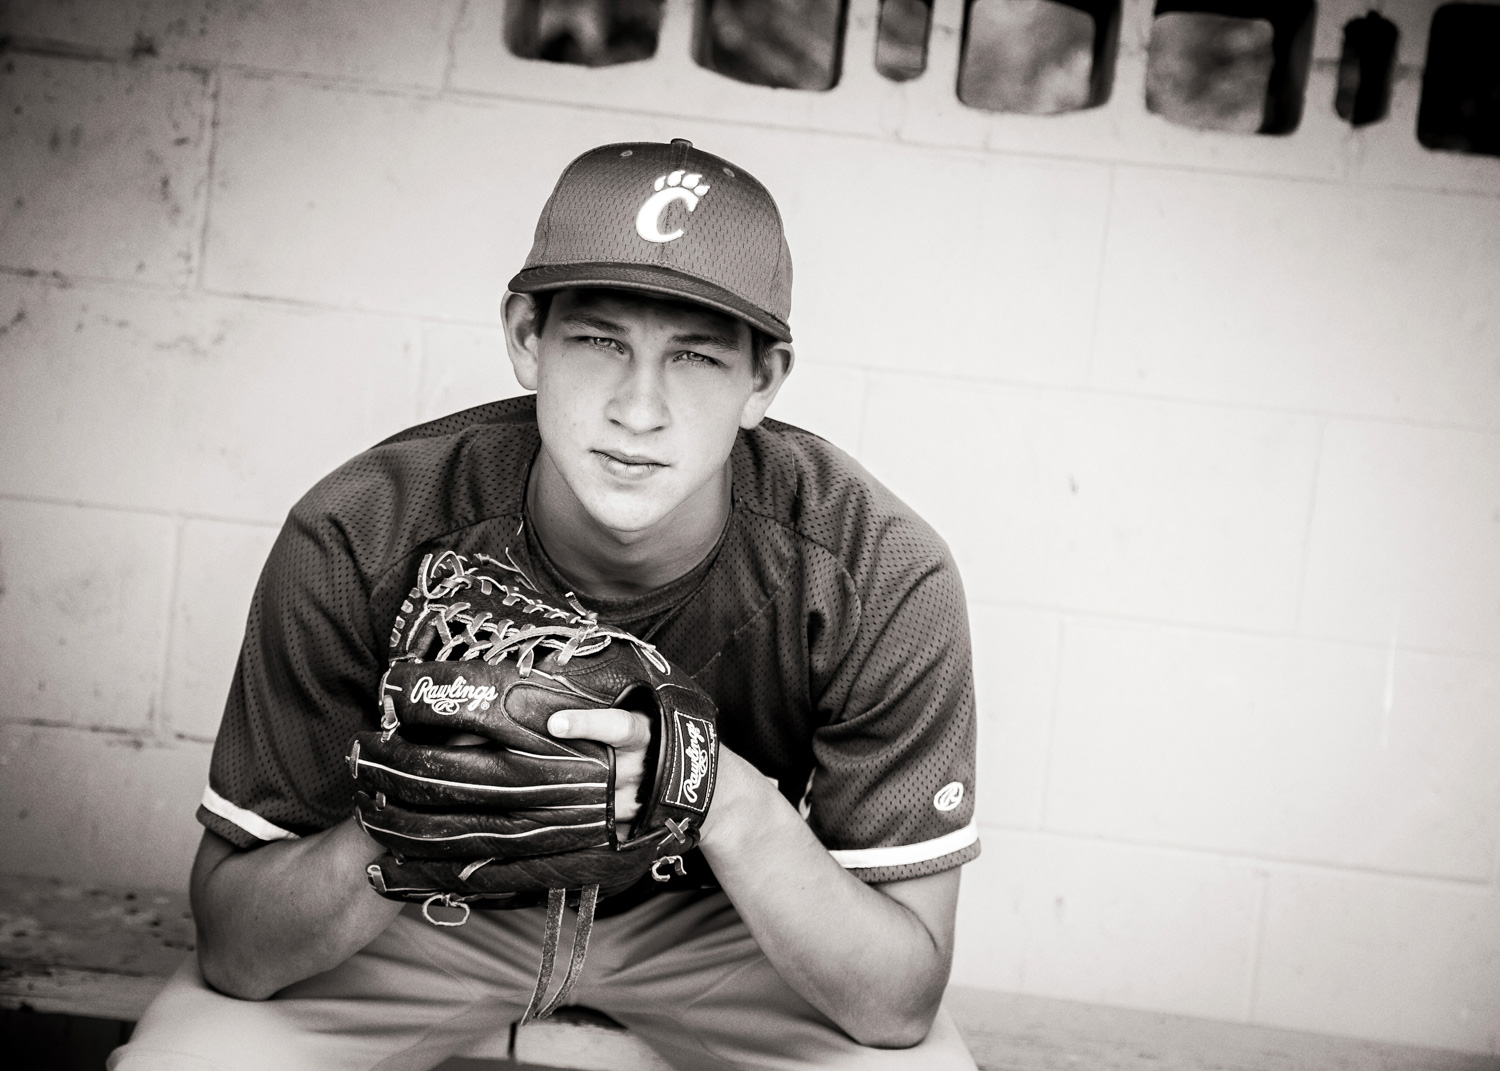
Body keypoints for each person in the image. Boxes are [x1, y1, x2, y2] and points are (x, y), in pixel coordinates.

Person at [111, 139, 980, 1071]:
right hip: (425, 917)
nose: (638, 408)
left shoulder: (879, 572)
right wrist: (410, 819)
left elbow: (897, 1006)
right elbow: (236, 949)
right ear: (527, 337)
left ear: (762, 379)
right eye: (601, 340)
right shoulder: (361, 531)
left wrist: (718, 797)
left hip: (717, 934)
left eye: (694, 355)